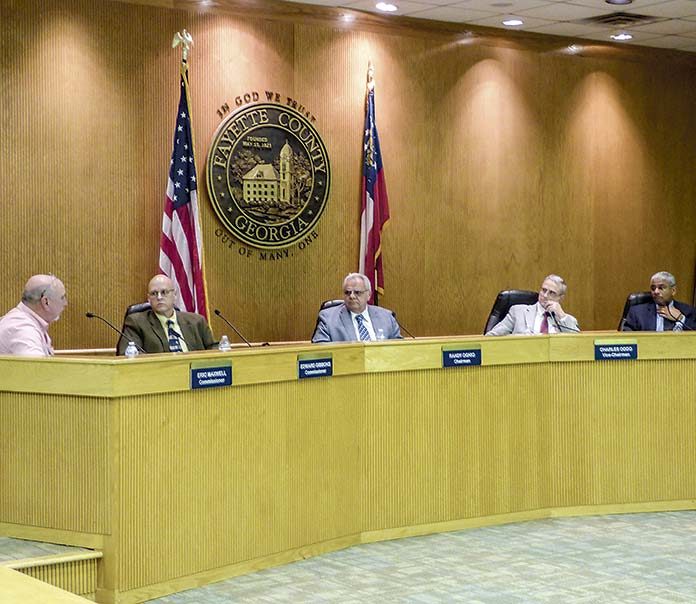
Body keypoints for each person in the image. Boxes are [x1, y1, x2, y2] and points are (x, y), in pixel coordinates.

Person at [117, 274, 216, 354]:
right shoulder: (136, 322)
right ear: (148, 299)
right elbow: (127, 354)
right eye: (154, 293)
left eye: (164, 292)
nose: (159, 297)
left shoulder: (197, 321)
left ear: (175, 295)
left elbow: (214, 350)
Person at [311, 273, 401, 343]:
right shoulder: (328, 319)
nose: (352, 296)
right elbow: (320, 351)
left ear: (369, 295)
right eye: (347, 292)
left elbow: (400, 349)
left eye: (357, 292)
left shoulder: (387, 317)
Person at [486, 274, 579, 336]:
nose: (545, 295)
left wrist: (561, 315)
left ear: (560, 298)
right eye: (544, 290)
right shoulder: (518, 312)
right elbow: (490, 337)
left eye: (552, 293)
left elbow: (578, 343)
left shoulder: (568, 320)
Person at [0, 274, 68, 356]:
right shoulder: (22, 328)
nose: (65, 303)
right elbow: (37, 367)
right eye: (62, 297)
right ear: (46, 302)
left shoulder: (29, 322)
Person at [622, 271, 695, 332]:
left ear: (673, 291)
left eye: (661, 288)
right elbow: (627, 339)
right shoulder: (637, 312)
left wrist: (681, 319)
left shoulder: (687, 311)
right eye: (653, 288)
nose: (656, 291)